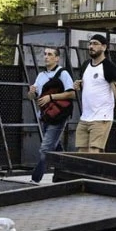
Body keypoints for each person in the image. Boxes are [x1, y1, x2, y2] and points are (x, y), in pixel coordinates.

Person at [73, 34, 116, 152]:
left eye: (95, 44)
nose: (91, 46)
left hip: (101, 117)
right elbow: (89, 87)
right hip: (85, 117)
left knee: (94, 151)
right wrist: (78, 85)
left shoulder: (109, 67)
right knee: (81, 153)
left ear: (104, 47)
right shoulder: (85, 65)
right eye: (90, 44)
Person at [28, 47, 75, 183]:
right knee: (55, 146)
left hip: (58, 115)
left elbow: (71, 93)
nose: (46, 57)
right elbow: (32, 96)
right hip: (45, 115)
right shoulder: (41, 75)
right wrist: (31, 92)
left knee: (46, 148)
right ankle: (64, 174)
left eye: (50, 54)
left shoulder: (63, 73)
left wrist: (51, 97)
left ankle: (35, 179)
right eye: (45, 54)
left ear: (57, 58)